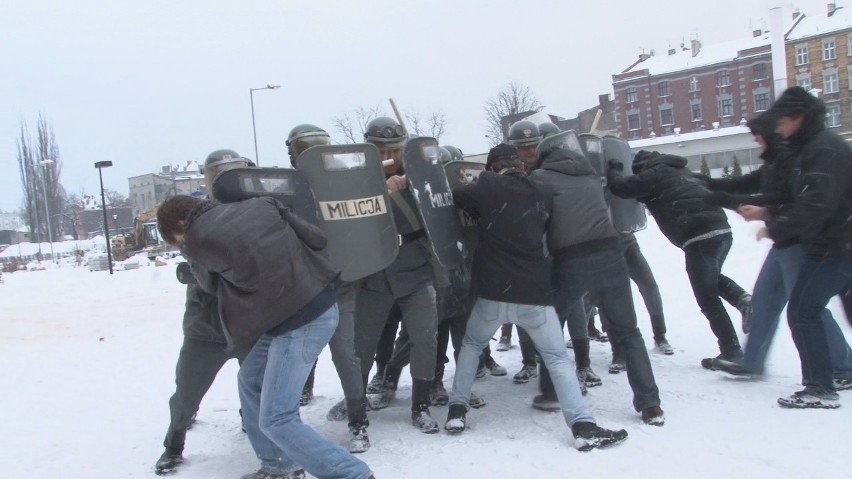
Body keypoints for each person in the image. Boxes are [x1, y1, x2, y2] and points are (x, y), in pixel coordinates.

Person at [156, 195, 374, 479]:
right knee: (250, 380)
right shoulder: (261, 204)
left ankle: (353, 474)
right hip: (312, 305)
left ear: (183, 224)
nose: (183, 243)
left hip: (302, 321)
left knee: (277, 419)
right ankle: (278, 465)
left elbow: (209, 284)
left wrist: (190, 251)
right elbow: (317, 238)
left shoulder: (198, 239)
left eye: (178, 239)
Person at [444, 143, 628, 451]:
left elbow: (459, 197)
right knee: (557, 359)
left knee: (472, 346)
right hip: (534, 293)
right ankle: (582, 426)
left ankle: (456, 412)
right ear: (521, 165)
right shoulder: (541, 189)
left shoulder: (487, 185)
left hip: (492, 292)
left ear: (492, 167)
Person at [700, 111, 852, 390]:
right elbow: (747, 184)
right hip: (782, 245)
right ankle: (753, 362)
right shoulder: (774, 162)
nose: (756, 140)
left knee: (809, 309)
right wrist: (707, 185)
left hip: (799, 244)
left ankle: (845, 366)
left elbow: (795, 203)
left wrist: (762, 213)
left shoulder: (792, 161)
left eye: (758, 135)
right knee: (764, 301)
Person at [528, 137, 664, 424]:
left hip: (571, 258)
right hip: (611, 254)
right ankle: (650, 404)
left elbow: (535, 221)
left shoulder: (540, 178)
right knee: (628, 331)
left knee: (551, 326)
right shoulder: (590, 175)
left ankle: (552, 392)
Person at [736, 87, 852, 408]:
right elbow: (803, 199)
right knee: (810, 310)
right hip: (831, 243)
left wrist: (774, 225)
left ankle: (820, 387)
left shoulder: (824, 149)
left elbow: (817, 204)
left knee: (803, 311)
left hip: (835, 245)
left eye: (782, 122)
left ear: (798, 117)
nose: (777, 130)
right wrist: (768, 213)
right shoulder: (812, 147)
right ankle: (829, 378)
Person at [154, 149, 254, 476]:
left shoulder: (252, 211)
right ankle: (174, 444)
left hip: (248, 323)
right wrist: (191, 271)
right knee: (187, 392)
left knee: (257, 387)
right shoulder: (196, 222)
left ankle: (251, 421)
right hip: (206, 329)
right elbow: (201, 270)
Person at [607, 150, 752, 366]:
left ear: (643, 168)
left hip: (698, 236)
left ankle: (732, 350)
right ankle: (742, 302)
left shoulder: (654, 173)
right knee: (710, 282)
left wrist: (614, 171)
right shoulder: (681, 170)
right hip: (721, 231)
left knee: (707, 297)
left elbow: (622, 188)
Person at [352, 117, 441, 433]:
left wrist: (415, 186)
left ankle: (420, 406)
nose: (389, 154)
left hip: (415, 269)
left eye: (394, 149)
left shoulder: (420, 174)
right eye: (381, 149)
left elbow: (439, 208)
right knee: (362, 344)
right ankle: (356, 407)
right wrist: (376, 191)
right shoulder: (354, 179)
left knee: (424, 338)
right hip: (374, 273)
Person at [287, 124, 371, 453]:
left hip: (336, 282)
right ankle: (284, 422)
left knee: (341, 357)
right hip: (307, 285)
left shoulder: (342, 182)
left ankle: (358, 422)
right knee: (302, 357)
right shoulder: (288, 188)